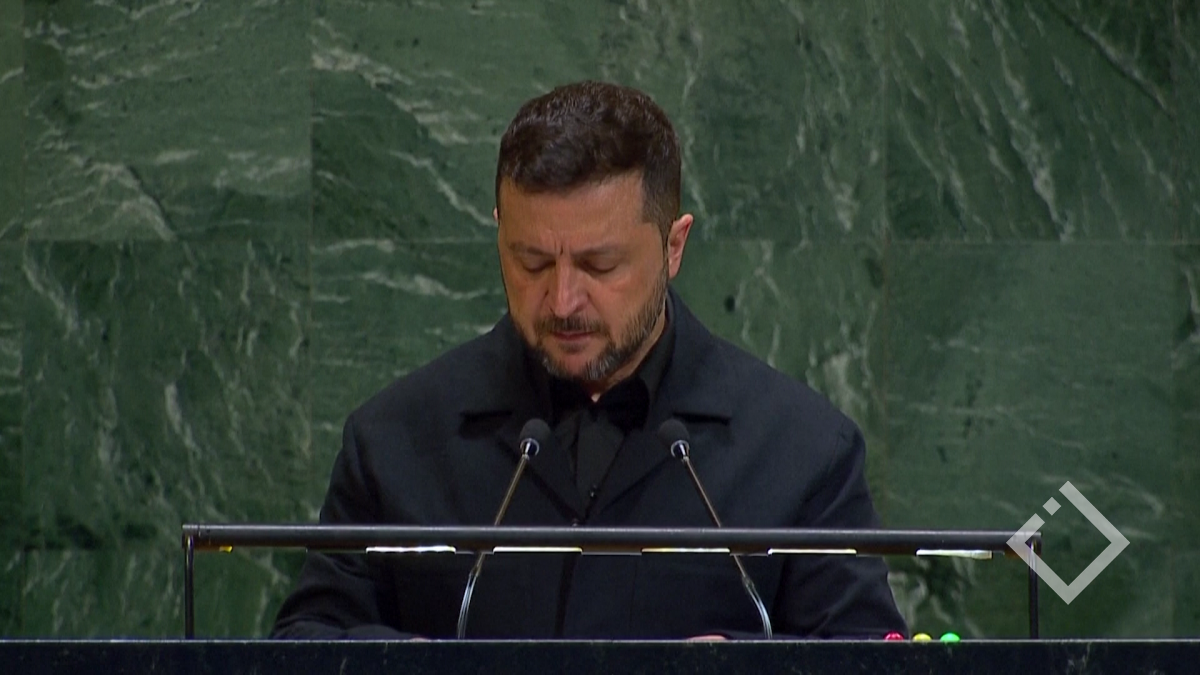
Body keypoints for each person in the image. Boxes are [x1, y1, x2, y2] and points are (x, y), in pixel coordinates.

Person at [272, 81, 906, 640]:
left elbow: (866, 653)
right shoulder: (394, 440)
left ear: (674, 245)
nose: (563, 300)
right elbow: (307, 637)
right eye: (532, 262)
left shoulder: (802, 451)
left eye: (600, 265)